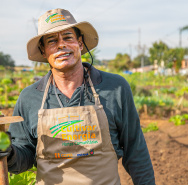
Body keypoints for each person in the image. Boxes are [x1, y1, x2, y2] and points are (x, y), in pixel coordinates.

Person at [3, 8, 155, 184]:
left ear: (80, 44)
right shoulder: (29, 98)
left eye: (68, 37)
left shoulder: (115, 88)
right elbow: (25, 156)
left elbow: (135, 151)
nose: (61, 45)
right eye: (52, 41)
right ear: (43, 52)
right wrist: (9, 153)